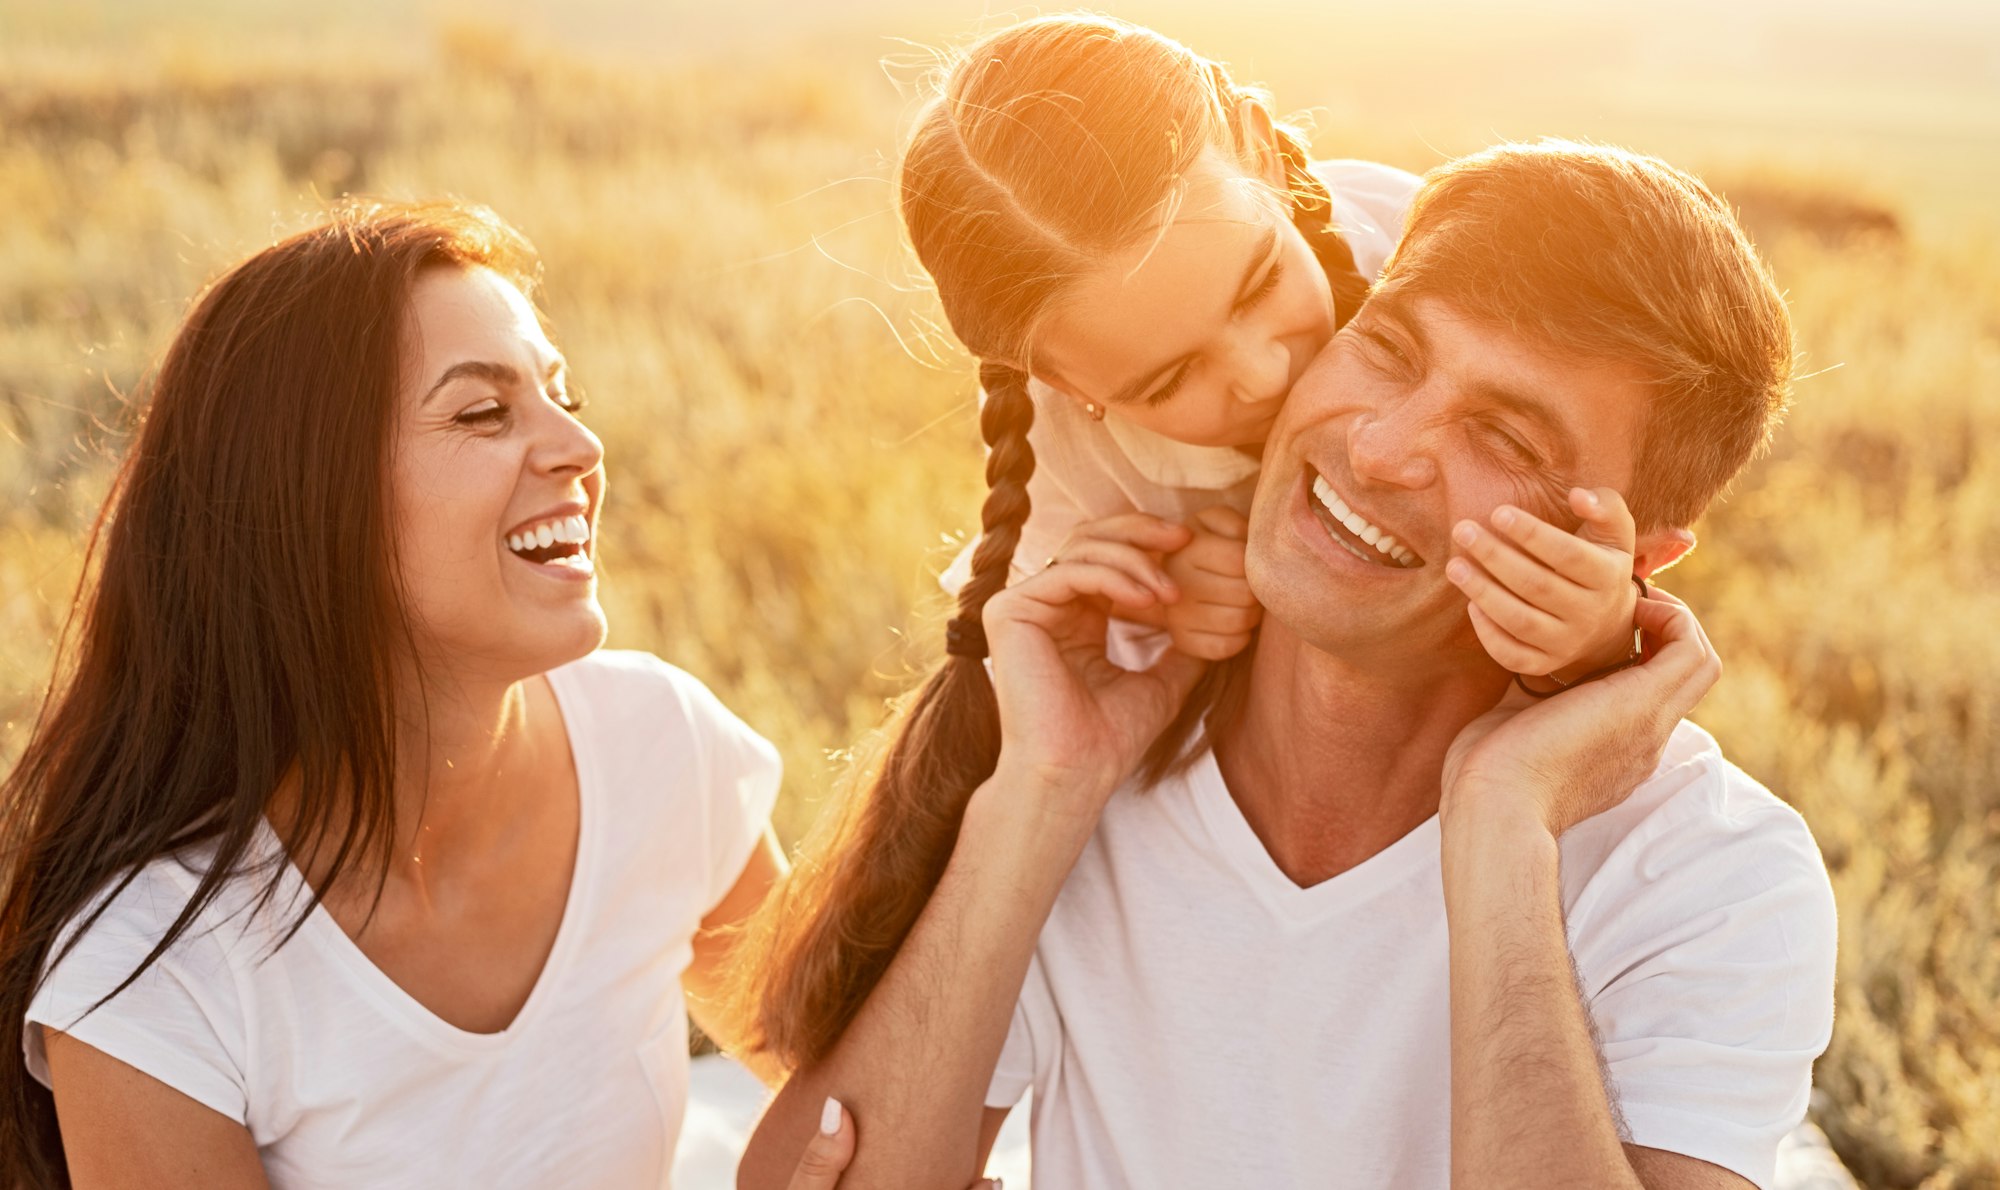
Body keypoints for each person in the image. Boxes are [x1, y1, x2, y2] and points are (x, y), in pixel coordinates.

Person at [737, 139, 1837, 1190]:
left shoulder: (1713, 880)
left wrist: (1503, 819)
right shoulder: (1102, 728)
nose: (1378, 447)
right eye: (1388, 350)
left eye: (1502, 438)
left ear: (1635, 556)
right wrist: (1045, 786)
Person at [734, 14, 1653, 1074]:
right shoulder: (1077, 463)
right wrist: (1176, 597)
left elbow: (1589, 464)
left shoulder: (1415, 246)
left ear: (1259, 156)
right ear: (1071, 390)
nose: (1260, 375)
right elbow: (1073, 666)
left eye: (1259, 283)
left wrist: (1592, 633)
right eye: (1166, 382)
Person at [0, 202, 838, 1189]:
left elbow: (844, 1102)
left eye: (563, 396)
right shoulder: (152, 967)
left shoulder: (655, 742)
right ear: (310, 499)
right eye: (484, 412)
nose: (578, 446)